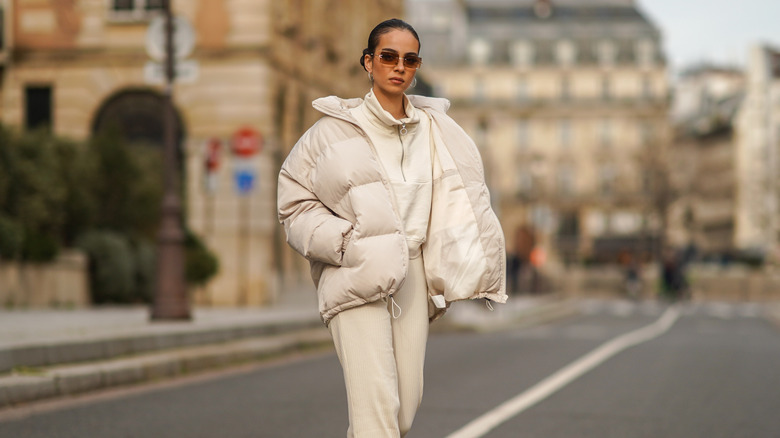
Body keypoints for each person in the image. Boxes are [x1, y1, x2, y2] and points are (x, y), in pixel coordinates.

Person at [277, 18, 506, 437]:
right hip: (356, 271)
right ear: (368, 62)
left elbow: (465, 198)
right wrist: (344, 245)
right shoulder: (330, 132)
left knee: (402, 408)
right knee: (377, 410)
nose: (399, 66)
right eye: (388, 56)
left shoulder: (438, 131)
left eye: (410, 59)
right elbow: (293, 203)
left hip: (413, 273)